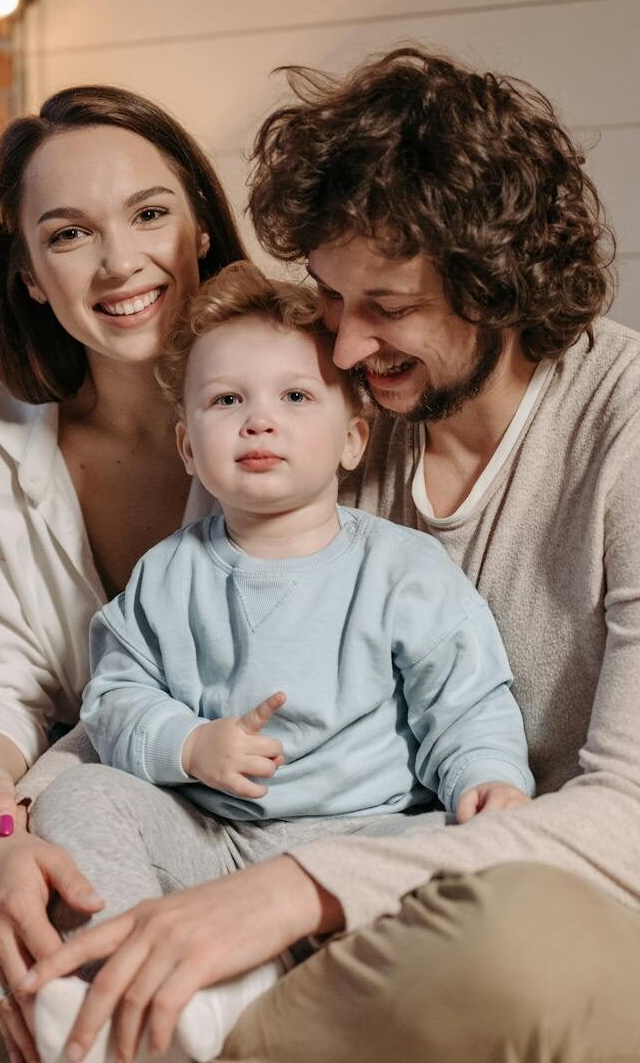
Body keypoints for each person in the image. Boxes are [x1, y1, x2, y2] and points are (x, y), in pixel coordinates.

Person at [4, 48, 640, 1063]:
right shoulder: (354, 414)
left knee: (502, 937)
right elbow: (161, 658)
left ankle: (112, 1019)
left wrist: (300, 889)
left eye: (386, 308)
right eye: (329, 298)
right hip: (378, 892)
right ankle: (133, 1013)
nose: (343, 350)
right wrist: (15, 821)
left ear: (495, 280)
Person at [27, 261, 534, 1063]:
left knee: (465, 873)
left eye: (295, 397)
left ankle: (255, 1001)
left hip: (365, 843)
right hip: (212, 842)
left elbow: (463, 700)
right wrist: (188, 745)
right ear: (190, 446)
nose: (259, 421)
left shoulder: (401, 568)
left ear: (353, 438)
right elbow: (116, 695)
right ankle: (130, 985)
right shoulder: (168, 574)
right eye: (228, 401)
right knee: (87, 796)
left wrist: (487, 777)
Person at [0, 86, 249, 1062]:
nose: (121, 262)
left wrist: (20, 812)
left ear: (202, 223)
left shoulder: (283, 403)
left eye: (150, 214)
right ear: (31, 274)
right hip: (3, 735)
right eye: (70, 234)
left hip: (149, 774)